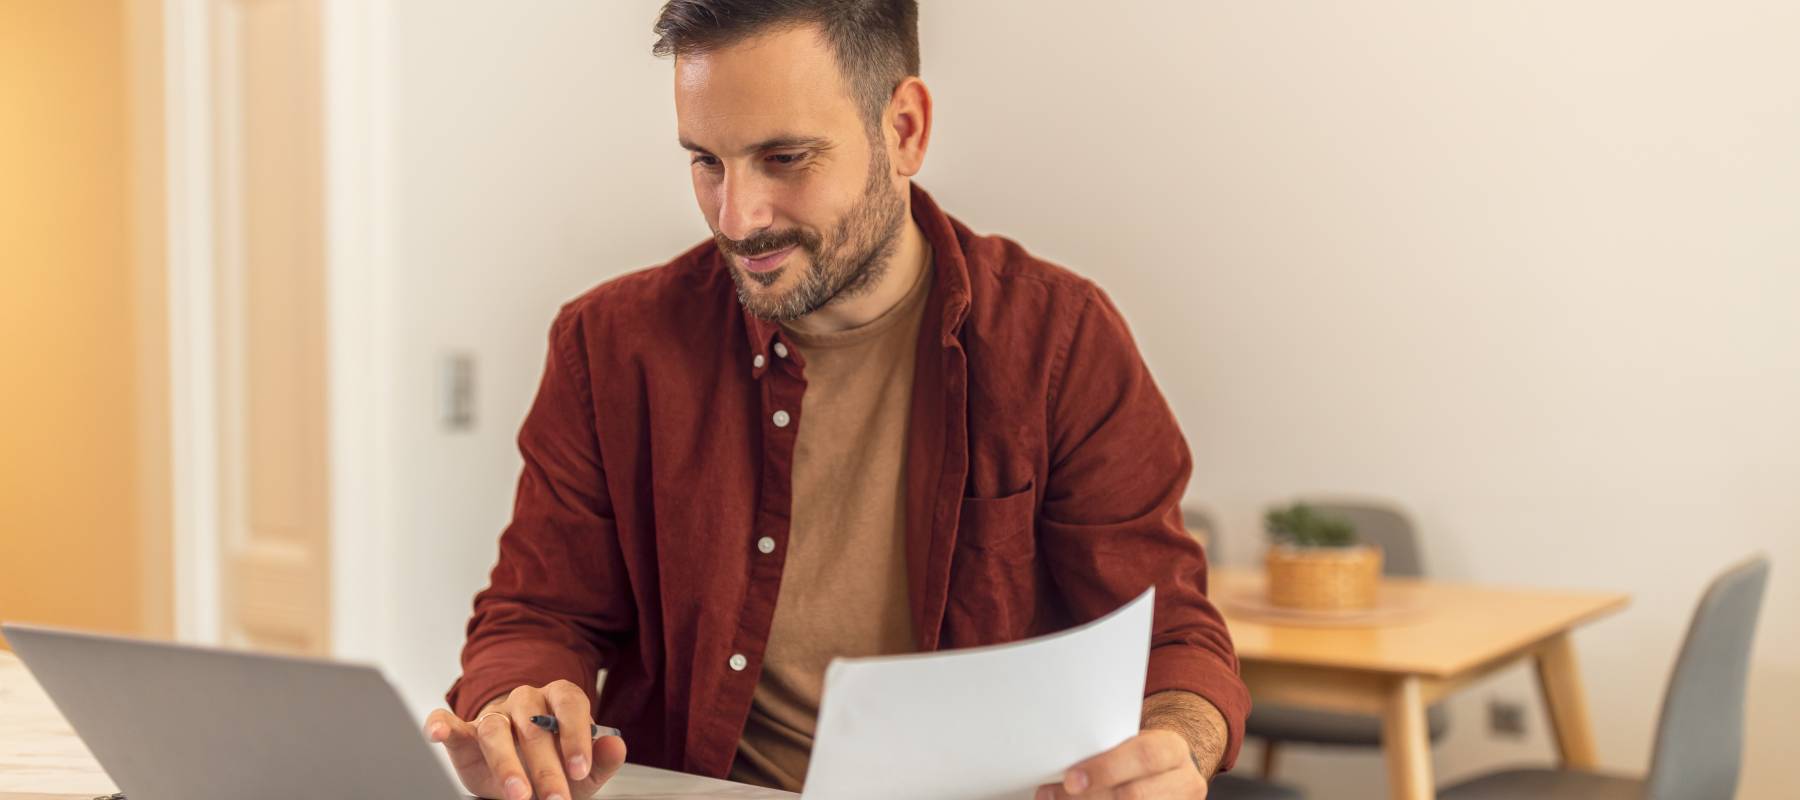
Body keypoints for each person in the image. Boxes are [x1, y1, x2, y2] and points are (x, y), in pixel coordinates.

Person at [422, 2, 1248, 798]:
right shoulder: (607, 346)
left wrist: (1176, 744)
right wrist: (515, 707)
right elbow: (535, 613)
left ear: (905, 130)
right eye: (707, 160)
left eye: (785, 158)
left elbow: (1173, 639)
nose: (737, 217)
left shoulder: (1060, 343)